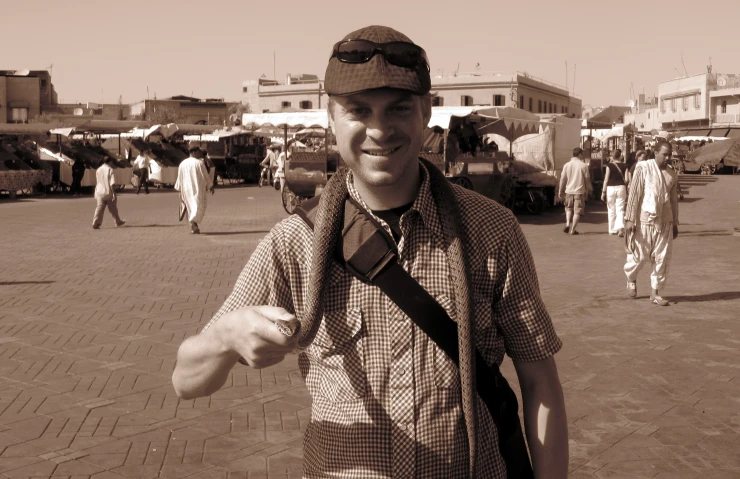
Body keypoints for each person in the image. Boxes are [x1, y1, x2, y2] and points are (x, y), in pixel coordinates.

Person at [171, 25, 568, 478]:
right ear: (332, 120)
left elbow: (541, 382)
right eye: (359, 110)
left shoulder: (491, 231)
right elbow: (185, 381)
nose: (380, 130)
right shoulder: (294, 243)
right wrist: (225, 338)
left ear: (425, 113)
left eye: (398, 109)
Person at [624, 141, 679, 306]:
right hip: (644, 220)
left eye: (670, 154)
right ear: (655, 153)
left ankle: (655, 292)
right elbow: (634, 193)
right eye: (664, 154)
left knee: (662, 258)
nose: (668, 158)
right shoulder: (644, 168)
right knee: (640, 256)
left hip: (665, 221)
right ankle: (631, 278)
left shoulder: (672, 174)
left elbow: (674, 200)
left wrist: (675, 223)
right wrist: (629, 219)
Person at [175, 141, 214, 234]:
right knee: (197, 206)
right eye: (198, 152)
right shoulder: (199, 163)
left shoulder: (182, 163)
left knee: (191, 206)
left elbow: (179, 178)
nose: (200, 154)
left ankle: (193, 224)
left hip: (186, 189)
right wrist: (211, 186)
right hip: (198, 188)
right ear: (193, 153)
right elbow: (205, 175)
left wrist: (179, 189)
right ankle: (194, 223)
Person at [558, 147, 593, 235]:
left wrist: (560, 190)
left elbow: (562, 179)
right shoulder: (584, 165)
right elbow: (587, 179)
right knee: (577, 211)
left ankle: (567, 223)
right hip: (579, 191)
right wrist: (587, 190)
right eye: (582, 154)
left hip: (568, 191)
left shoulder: (567, 165)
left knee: (568, 208)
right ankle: (573, 229)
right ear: (580, 154)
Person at [92, 157, 125, 229]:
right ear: (109, 162)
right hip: (108, 191)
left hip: (99, 191)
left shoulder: (98, 169)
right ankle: (117, 221)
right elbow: (112, 183)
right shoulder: (110, 169)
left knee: (99, 207)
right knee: (113, 208)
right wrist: (114, 194)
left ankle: (95, 223)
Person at [601, 149, 628, 236]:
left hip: (610, 188)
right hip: (621, 187)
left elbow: (606, 179)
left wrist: (603, 192)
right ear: (621, 156)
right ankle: (620, 229)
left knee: (611, 209)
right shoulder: (625, 166)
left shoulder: (609, 166)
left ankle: (612, 229)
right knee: (620, 209)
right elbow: (627, 179)